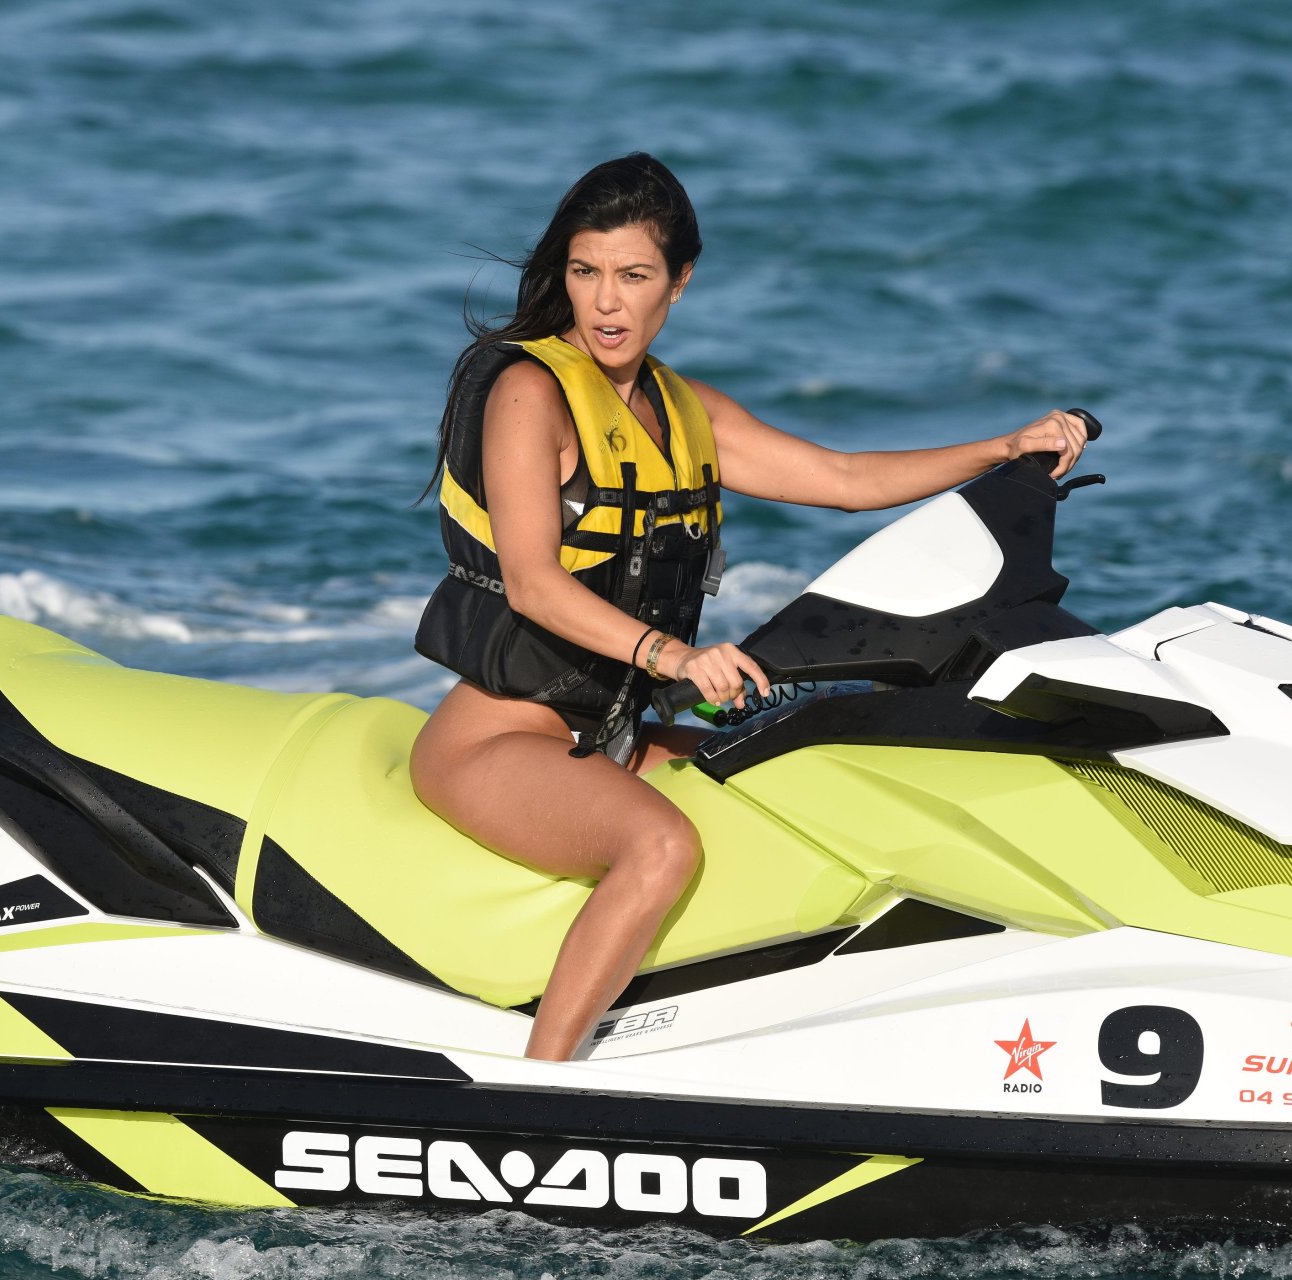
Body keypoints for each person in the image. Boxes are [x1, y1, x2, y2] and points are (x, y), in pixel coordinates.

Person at [410, 153, 1088, 1061]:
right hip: (498, 738)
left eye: (633, 276)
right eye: (585, 272)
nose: (606, 302)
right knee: (661, 847)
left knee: (806, 780)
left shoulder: (685, 410)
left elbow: (844, 479)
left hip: (614, 734)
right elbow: (533, 582)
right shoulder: (531, 392)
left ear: (679, 283)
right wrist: (678, 658)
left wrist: (1003, 448)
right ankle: (540, 1090)